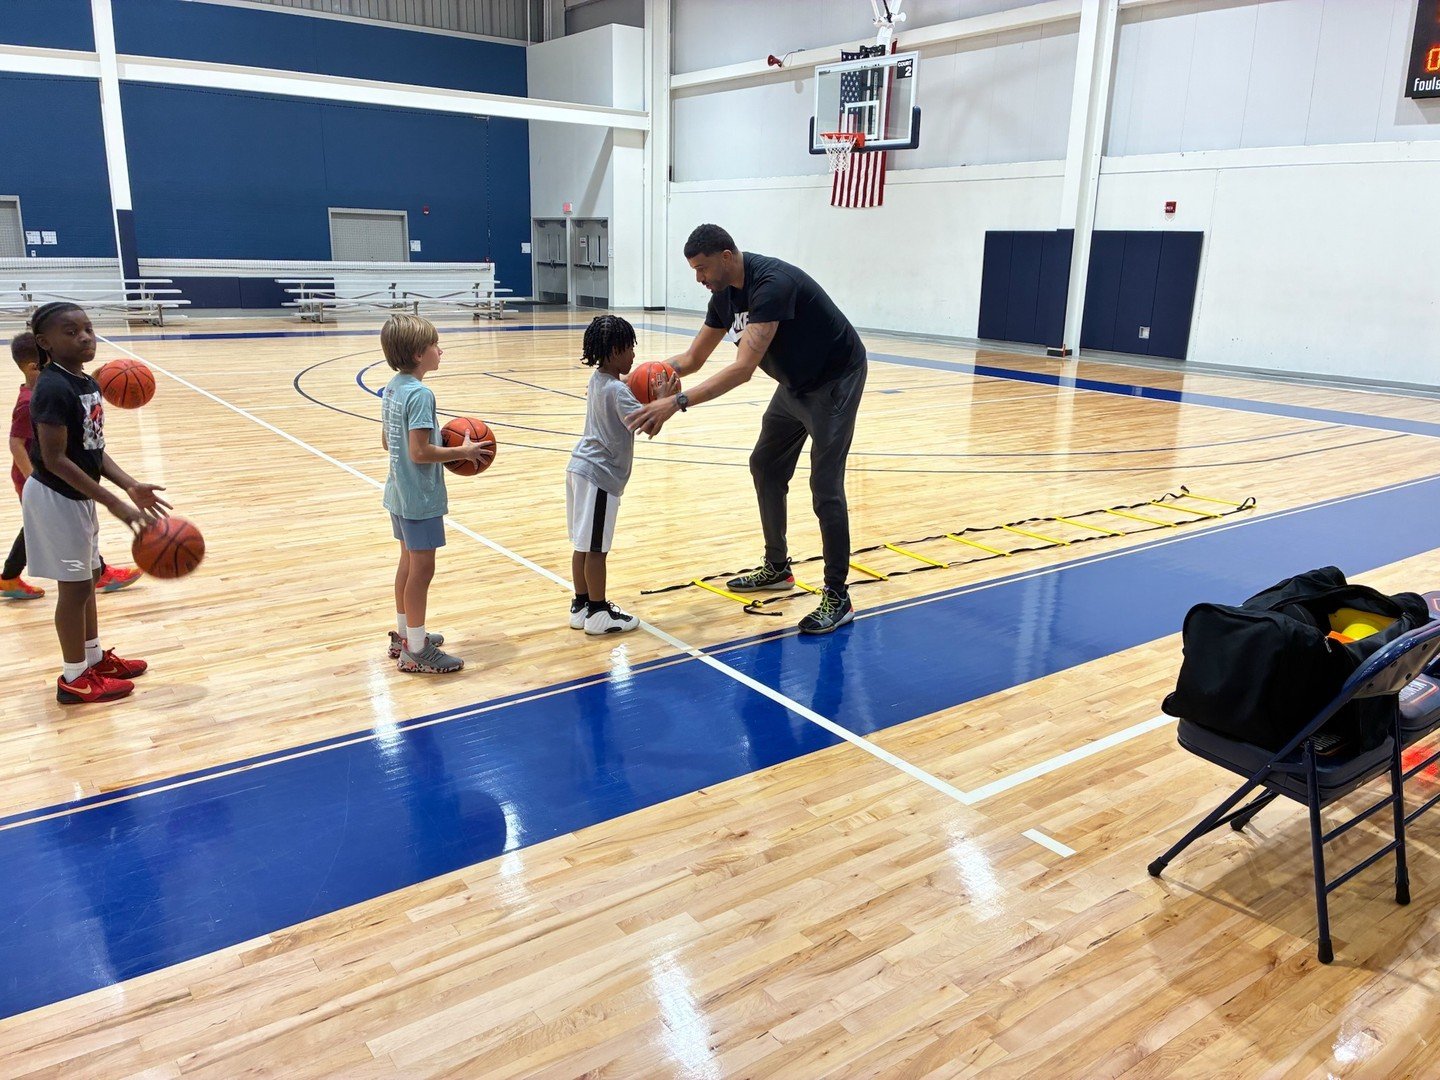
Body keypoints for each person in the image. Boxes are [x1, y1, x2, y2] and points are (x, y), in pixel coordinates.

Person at [627, 224, 868, 634]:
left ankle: (837, 595)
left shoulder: (771, 285)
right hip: (795, 384)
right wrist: (637, 378)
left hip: (834, 382)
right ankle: (777, 567)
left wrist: (678, 402)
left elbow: (742, 370)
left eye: (702, 268)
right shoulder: (722, 296)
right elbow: (693, 358)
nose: (698, 278)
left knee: (825, 487)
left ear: (726, 255)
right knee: (765, 465)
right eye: (694, 270)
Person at [22, 303, 169, 704]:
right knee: (72, 590)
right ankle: (74, 679)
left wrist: (130, 485)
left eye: (88, 328)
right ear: (44, 342)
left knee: (86, 584)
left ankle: (92, 660)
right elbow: (55, 459)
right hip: (56, 497)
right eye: (71, 332)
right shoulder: (52, 387)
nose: (85, 337)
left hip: (78, 495)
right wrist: (113, 503)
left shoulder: (85, 382)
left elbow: (93, 449)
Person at [380, 314, 492, 674]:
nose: (440, 350)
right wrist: (463, 452)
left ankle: (405, 634)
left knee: (407, 563)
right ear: (418, 355)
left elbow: (387, 441)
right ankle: (417, 650)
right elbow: (419, 452)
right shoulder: (421, 394)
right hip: (419, 499)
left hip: (397, 491)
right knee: (422, 570)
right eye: (434, 345)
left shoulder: (394, 387)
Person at [5, 330, 142, 602]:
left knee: (41, 529)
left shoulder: (49, 390)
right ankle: (97, 571)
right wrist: (36, 478)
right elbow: (15, 444)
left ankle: (9, 577)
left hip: (50, 478)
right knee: (58, 532)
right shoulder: (29, 402)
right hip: (39, 478)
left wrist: (101, 376)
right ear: (35, 366)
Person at [567, 315, 674, 635]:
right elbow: (650, 427)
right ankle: (599, 614)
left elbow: (624, 391)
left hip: (578, 468)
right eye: (629, 349)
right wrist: (664, 400)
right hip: (600, 475)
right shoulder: (618, 391)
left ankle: (582, 605)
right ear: (614, 351)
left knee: (582, 545)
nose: (634, 356)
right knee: (597, 549)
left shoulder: (599, 380)